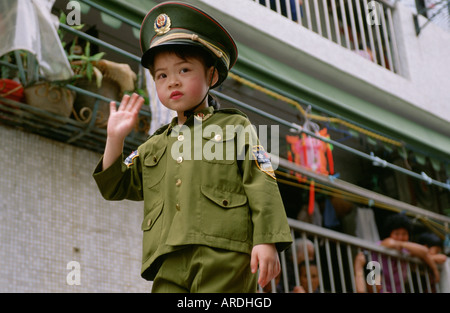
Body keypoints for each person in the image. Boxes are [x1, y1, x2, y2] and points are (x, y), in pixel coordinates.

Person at [92, 1, 292, 293]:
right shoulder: (155, 144)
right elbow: (114, 186)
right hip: (167, 259)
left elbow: (260, 181)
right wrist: (115, 138)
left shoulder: (234, 127)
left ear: (211, 75)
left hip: (226, 255)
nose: (172, 80)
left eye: (184, 69)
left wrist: (267, 239)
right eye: (162, 75)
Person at [376, 213, 440, 292]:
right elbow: (390, 243)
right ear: (389, 233)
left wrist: (435, 270)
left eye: (404, 234)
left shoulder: (405, 250)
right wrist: (404, 244)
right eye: (397, 233)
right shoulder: (383, 243)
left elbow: (424, 252)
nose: (400, 237)